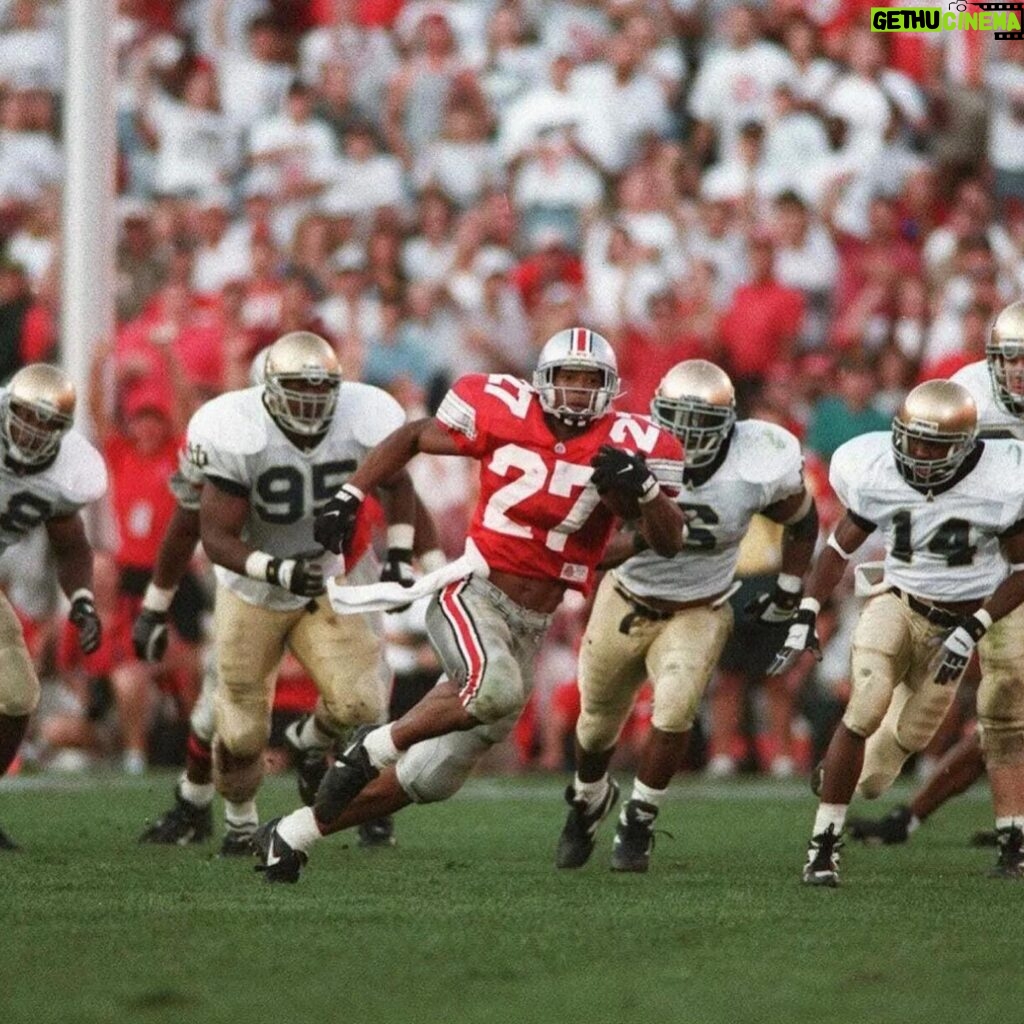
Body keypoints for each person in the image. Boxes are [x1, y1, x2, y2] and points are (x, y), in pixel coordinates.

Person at [253, 327, 687, 883]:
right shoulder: (504, 410)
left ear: (610, 389)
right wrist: (350, 494)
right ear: (542, 381)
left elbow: (669, 541)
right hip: (474, 592)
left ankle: (291, 835)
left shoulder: (635, 445)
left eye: (589, 381)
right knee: (494, 688)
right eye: (567, 379)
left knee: (428, 779)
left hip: (530, 625)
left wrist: (646, 493)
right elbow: (411, 436)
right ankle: (371, 748)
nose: (577, 392)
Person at [555, 360, 819, 872]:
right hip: (628, 595)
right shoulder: (630, 451)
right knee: (594, 727)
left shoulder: (753, 463)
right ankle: (589, 799)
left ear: (729, 425)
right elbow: (595, 543)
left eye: (700, 424)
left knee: (674, 711)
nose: (685, 435)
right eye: (675, 420)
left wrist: (789, 589)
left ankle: (639, 819)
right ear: (656, 414)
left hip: (701, 606)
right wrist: (636, 529)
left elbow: (803, 521)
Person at [173, 330, 420, 856]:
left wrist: (399, 554)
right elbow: (214, 535)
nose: (309, 402)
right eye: (297, 390)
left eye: (319, 390)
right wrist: (278, 571)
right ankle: (241, 823)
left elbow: (399, 485)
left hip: (322, 576)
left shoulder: (364, 415)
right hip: (252, 587)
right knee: (239, 733)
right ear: (269, 389)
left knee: (361, 700)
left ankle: (307, 741)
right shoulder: (237, 429)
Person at [770, 379, 1024, 885]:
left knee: (896, 753)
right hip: (898, 605)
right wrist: (807, 611)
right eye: (913, 439)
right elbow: (838, 549)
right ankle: (823, 847)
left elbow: (1021, 571)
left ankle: (845, 776)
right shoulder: (879, 471)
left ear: (966, 445)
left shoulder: (1002, 483)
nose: (920, 454)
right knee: (865, 705)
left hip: (959, 624)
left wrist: (974, 627)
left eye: (935, 445)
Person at [847, 300, 1024, 848]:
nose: (1019, 371)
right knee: (1007, 701)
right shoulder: (964, 393)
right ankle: (969, 822)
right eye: (1011, 359)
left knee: (1010, 706)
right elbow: (919, 468)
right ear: (992, 360)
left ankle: (922, 817)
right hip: (988, 567)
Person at [0, 364, 107, 848]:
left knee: (18, 696)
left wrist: (82, 599)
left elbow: (71, 547)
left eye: (47, 422)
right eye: (26, 416)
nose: (34, 430)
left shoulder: (66, 473)